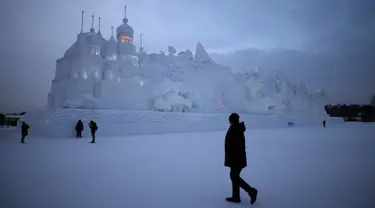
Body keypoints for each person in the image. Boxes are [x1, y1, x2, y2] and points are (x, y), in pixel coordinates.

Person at [225, 113, 258, 205]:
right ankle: (235, 197)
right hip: (236, 158)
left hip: (236, 159)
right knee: (234, 176)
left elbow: (236, 146)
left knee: (234, 176)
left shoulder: (235, 130)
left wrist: (233, 159)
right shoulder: (236, 129)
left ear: (232, 121)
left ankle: (251, 191)